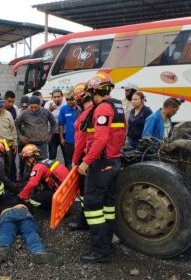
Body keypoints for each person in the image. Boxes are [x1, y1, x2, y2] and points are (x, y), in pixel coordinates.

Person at [77, 73, 126, 263]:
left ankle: (100, 250)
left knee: (92, 205)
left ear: (95, 90)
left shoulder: (103, 108)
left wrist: (87, 161)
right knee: (107, 205)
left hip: (101, 164)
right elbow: (123, 132)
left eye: (91, 93)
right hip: (114, 161)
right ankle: (108, 240)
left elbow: (101, 138)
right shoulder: (118, 105)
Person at [0, 192, 58, 265]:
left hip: (5, 213)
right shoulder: (19, 197)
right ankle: (38, 251)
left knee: (6, 234)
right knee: (30, 232)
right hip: (21, 210)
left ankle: (2, 249)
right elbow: (30, 208)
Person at [69, 82, 94, 231]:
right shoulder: (99, 110)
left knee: (85, 191)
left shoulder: (86, 114)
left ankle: (84, 221)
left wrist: (74, 160)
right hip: (98, 156)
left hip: (86, 157)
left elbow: (80, 140)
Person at [18, 144, 69, 210]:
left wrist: (21, 196)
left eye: (26, 160)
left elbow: (32, 183)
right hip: (65, 190)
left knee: (33, 200)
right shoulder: (47, 161)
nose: (26, 163)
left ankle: (51, 207)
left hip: (59, 194)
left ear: (31, 158)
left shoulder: (38, 166)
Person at [58, 89, 81, 169]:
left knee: (80, 162)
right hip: (69, 141)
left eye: (71, 100)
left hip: (81, 141)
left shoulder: (81, 108)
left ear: (76, 98)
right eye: (67, 100)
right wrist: (61, 138)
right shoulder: (64, 109)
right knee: (69, 162)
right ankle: (71, 179)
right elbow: (61, 124)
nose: (68, 102)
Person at [44, 88, 67, 162]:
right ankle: (51, 172)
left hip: (64, 133)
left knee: (66, 155)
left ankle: (68, 171)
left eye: (58, 96)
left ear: (62, 96)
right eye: (55, 97)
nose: (57, 99)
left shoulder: (66, 103)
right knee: (52, 155)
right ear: (52, 98)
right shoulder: (48, 105)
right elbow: (43, 119)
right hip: (53, 133)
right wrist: (49, 111)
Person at [4, 90, 19, 181]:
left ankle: (12, 181)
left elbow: (15, 126)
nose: (11, 103)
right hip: (0, 141)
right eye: (9, 101)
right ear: (4, 99)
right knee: (2, 163)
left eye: (13, 101)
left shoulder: (14, 109)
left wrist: (15, 142)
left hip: (11, 141)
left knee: (12, 162)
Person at [17, 95, 30, 182]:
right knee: (21, 158)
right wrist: (20, 136)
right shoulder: (19, 111)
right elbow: (16, 125)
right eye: (23, 105)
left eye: (26, 105)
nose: (24, 107)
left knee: (30, 159)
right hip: (21, 140)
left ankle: (29, 176)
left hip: (30, 140)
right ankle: (21, 175)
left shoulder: (31, 110)